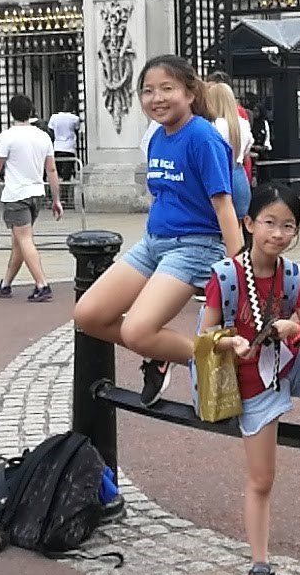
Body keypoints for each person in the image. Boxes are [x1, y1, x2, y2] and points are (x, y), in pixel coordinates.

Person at [73, 56, 244, 409]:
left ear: (190, 92)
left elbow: (224, 206)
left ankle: (209, 360)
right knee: (88, 315)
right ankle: (170, 354)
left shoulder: (202, 137)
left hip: (196, 246)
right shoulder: (158, 138)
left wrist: (239, 269)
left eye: (167, 89)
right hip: (154, 243)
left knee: (137, 331)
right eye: (148, 91)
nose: (157, 98)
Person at [198, 184, 300, 575]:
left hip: (283, 375)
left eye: (288, 225)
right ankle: (259, 565)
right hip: (248, 386)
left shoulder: (292, 276)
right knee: (262, 478)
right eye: (269, 222)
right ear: (248, 224)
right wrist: (229, 343)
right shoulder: (227, 275)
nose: (278, 233)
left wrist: (295, 331)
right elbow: (205, 337)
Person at [0, 93, 64, 302]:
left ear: (11, 113)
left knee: (25, 240)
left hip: (16, 194)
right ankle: (6, 284)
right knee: (19, 241)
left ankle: (42, 284)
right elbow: (52, 170)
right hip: (37, 193)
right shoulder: (43, 136)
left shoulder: (7, 136)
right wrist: (56, 199)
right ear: (30, 112)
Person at [204, 82, 254, 219]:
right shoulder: (242, 123)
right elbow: (246, 153)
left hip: (217, 175)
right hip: (238, 174)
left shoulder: (210, 126)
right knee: (237, 221)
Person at [48, 101, 82, 192]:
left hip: (57, 147)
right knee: (67, 175)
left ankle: (58, 195)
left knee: (57, 174)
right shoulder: (75, 118)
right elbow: (77, 130)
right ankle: (65, 196)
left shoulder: (54, 117)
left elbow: (51, 132)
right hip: (69, 148)